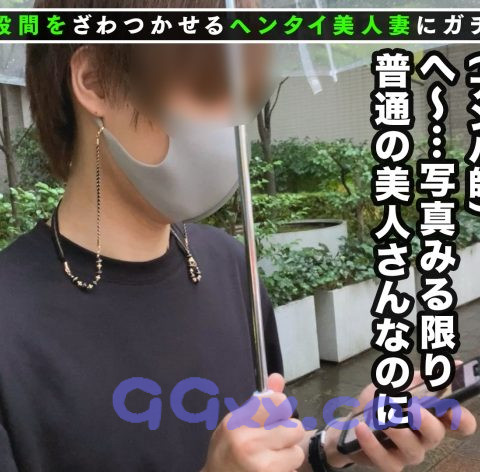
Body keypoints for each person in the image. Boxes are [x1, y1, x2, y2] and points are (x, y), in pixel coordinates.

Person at [0, 1, 476, 471]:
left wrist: (334, 444)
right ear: (96, 81)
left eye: (242, 88)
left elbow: (270, 448)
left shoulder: (229, 262)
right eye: (210, 82)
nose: (230, 121)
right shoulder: (12, 321)